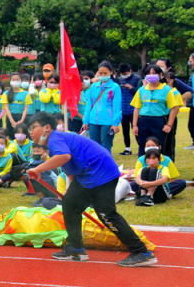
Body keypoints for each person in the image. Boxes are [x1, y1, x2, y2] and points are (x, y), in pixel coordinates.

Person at [26, 112, 156, 267]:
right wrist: (71, 192)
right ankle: (75, 249)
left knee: (107, 214)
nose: (31, 132)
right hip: (88, 175)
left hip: (102, 174)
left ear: (47, 128)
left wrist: (38, 169)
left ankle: (141, 252)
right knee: (70, 204)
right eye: (29, 129)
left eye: (34, 127)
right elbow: (70, 169)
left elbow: (64, 157)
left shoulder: (55, 139)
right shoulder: (55, 143)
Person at [130, 64, 181, 161]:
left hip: (159, 121)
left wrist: (169, 125)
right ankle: (143, 168)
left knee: (160, 146)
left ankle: (160, 169)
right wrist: (135, 125)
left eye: (154, 73)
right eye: (148, 73)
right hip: (143, 121)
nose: (151, 75)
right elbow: (136, 108)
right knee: (143, 145)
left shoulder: (166, 90)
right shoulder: (141, 90)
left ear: (160, 75)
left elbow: (174, 108)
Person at [82, 61, 121, 152]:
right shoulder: (94, 86)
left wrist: (115, 123)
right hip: (93, 120)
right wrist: (85, 121)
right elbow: (89, 105)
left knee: (105, 147)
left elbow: (117, 107)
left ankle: (106, 166)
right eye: (101, 73)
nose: (103, 75)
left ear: (111, 72)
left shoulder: (115, 87)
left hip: (107, 121)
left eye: (105, 73)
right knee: (94, 147)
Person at [116, 64, 140, 155]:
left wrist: (131, 88)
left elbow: (140, 92)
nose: (124, 75)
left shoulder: (137, 79)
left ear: (130, 70)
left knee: (137, 130)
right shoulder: (119, 80)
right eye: (122, 73)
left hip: (133, 109)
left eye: (125, 73)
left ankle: (141, 147)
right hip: (123, 109)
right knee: (125, 130)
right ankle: (127, 148)